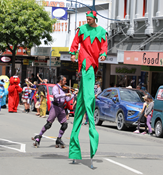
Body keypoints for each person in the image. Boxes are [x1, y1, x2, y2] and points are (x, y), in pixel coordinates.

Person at [68, 10, 107, 162]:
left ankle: (75, 148)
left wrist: (103, 54)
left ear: (95, 19)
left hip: (94, 60)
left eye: (90, 19)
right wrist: (73, 53)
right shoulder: (82, 29)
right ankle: (90, 119)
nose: (88, 20)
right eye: (87, 18)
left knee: (83, 101)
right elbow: (75, 42)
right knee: (87, 70)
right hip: (84, 60)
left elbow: (104, 46)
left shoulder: (102, 31)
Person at [32, 75, 76, 148]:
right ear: (61, 81)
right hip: (55, 107)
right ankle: (39, 137)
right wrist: (65, 94)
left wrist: (74, 94)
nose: (66, 82)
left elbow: (67, 99)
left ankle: (59, 139)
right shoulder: (55, 87)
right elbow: (56, 96)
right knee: (48, 124)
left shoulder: (62, 89)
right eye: (64, 81)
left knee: (65, 125)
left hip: (61, 107)